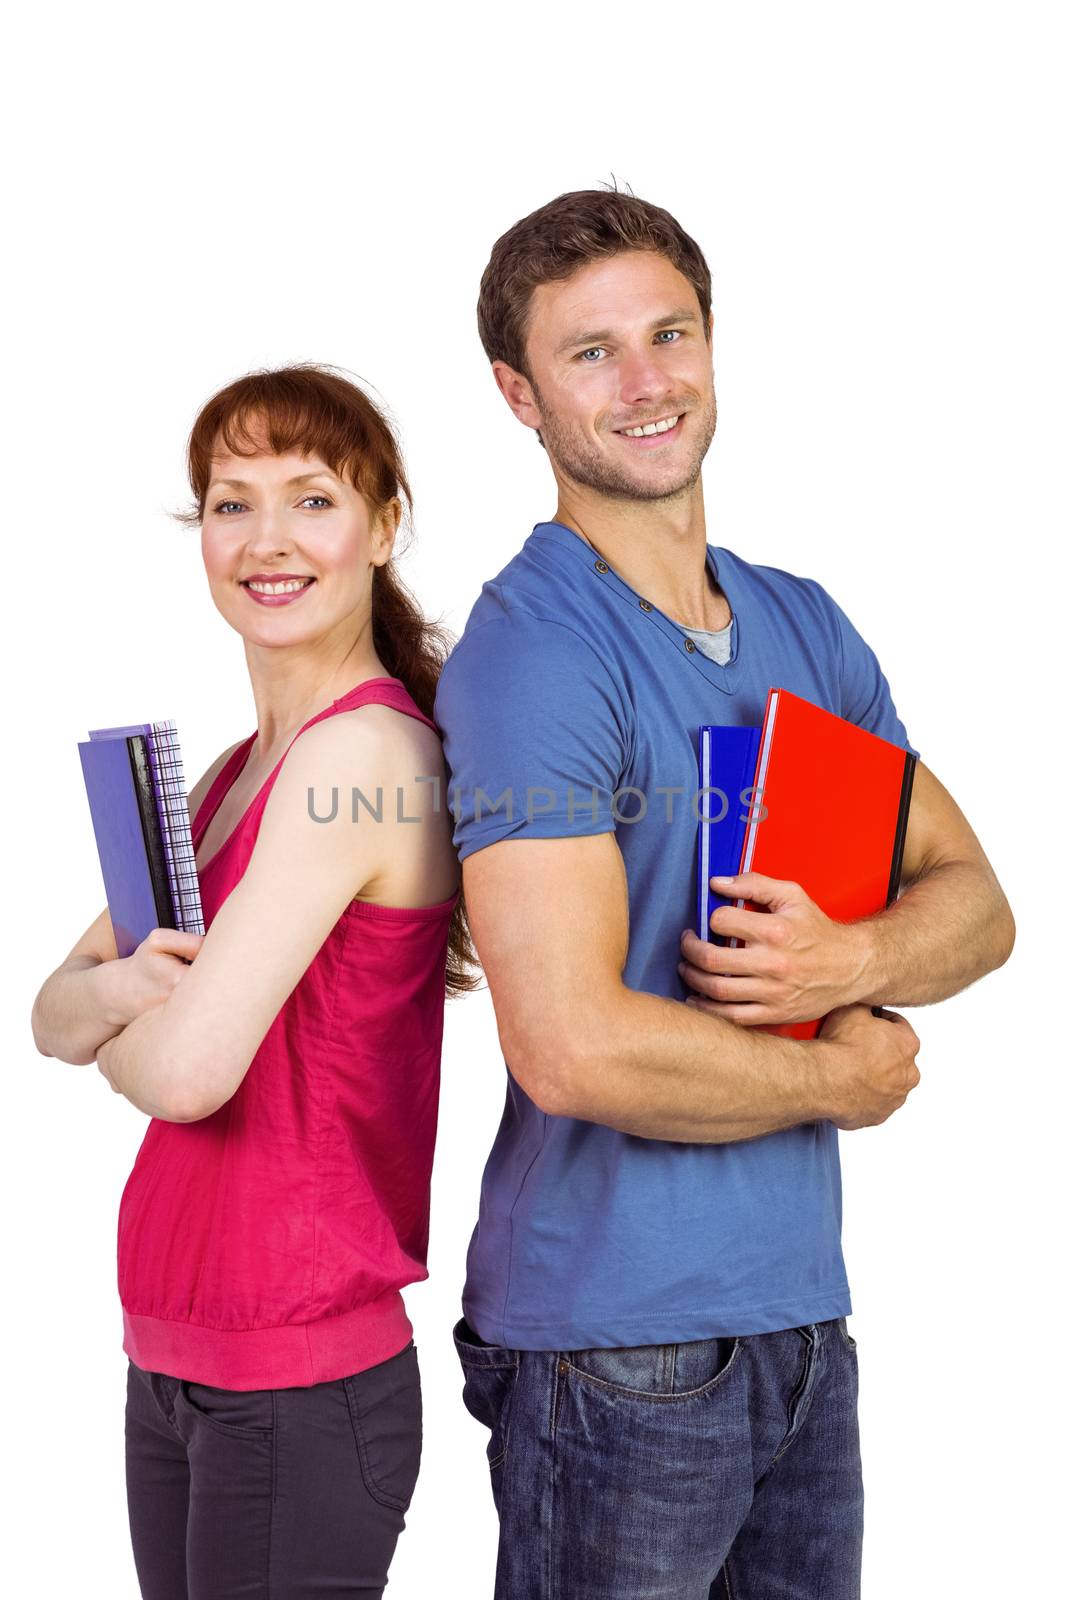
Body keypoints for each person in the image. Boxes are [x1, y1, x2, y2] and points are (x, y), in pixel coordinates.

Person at [434, 190, 1016, 1599]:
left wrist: (844, 960)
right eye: (589, 354)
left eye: (667, 333)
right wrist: (838, 1075)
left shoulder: (800, 623)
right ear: (517, 394)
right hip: (610, 1346)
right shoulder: (536, 655)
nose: (645, 383)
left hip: (798, 1326)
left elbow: (977, 904)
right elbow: (566, 1045)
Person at [31, 365, 476, 1599]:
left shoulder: (364, 755)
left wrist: (120, 996)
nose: (267, 541)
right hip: (178, 1361)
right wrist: (121, 994)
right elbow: (43, 1016)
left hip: (294, 1380)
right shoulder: (228, 775)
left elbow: (184, 1072)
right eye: (232, 504)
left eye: (312, 499)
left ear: (382, 528)